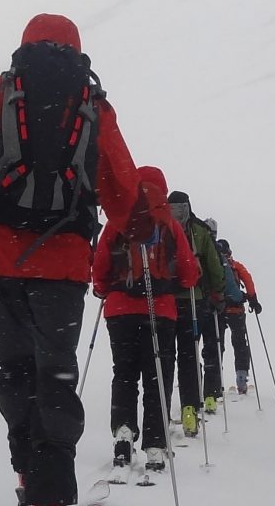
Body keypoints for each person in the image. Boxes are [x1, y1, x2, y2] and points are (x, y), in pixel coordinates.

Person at [0, 13, 139, 506]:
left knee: (16, 369)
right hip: (64, 267)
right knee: (55, 374)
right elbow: (121, 193)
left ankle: (27, 481)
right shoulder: (93, 107)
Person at [92, 167, 200, 474]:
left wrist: (104, 289)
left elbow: (100, 266)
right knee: (158, 376)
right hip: (160, 311)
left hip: (119, 310)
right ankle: (155, 445)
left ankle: (123, 435)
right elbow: (190, 273)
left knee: (124, 373)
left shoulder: (117, 220)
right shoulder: (169, 223)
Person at [168, 191, 225, 433]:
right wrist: (217, 293)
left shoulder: (161, 225)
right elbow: (214, 265)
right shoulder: (199, 230)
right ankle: (189, 409)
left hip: (164, 301)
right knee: (189, 355)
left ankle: (160, 409)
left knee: (164, 355)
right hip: (194, 300)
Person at [214, 238, 262, 395]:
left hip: (219, 310)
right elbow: (248, 279)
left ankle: (215, 381)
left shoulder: (215, 264)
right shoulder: (235, 265)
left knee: (217, 343)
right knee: (240, 343)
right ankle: (241, 378)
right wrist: (253, 299)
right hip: (236, 311)